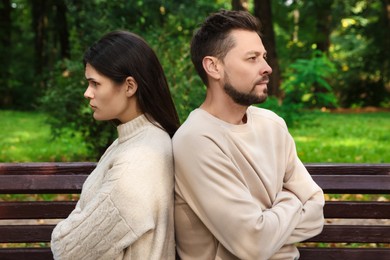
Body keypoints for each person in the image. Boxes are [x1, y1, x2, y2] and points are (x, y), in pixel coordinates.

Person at [173, 10, 325, 260]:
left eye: (264, 57)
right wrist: (292, 199)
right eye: (252, 58)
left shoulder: (272, 125)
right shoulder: (196, 140)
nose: (267, 68)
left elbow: (316, 212)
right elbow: (253, 245)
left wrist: (267, 224)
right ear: (214, 67)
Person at [51, 30, 179, 259]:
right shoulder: (132, 141)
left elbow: (69, 250)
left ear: (130, 86)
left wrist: (67, 229)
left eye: (95, 83)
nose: (87, 93)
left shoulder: (141, 157)